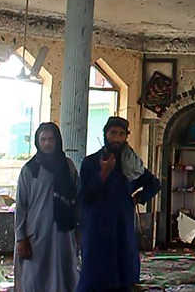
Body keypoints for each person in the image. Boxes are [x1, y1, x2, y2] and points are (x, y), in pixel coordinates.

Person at [77, 116, 160, 292]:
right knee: (95, 274)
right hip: (96, 226)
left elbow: (154, 183)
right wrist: (104, 173)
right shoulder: (91, 162)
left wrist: (138, 198)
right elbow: (85, 195)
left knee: (124, 273)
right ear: (105, 134)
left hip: (122, 225)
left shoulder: (130, 164)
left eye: (121, 134)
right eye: (113, 133)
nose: (117, 138)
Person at [13, 122, 80, 292]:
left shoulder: (68, 166)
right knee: (34, 277)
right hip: (36, 234)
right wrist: (21, 238)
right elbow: (21, 206)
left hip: (63, 234)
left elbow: (77, 198)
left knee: (64, 275)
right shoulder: (30, 170)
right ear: (37, 142)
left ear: (57, 141)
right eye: (43, 139)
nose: (47, 143)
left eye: (51, 139)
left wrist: (79, 229)